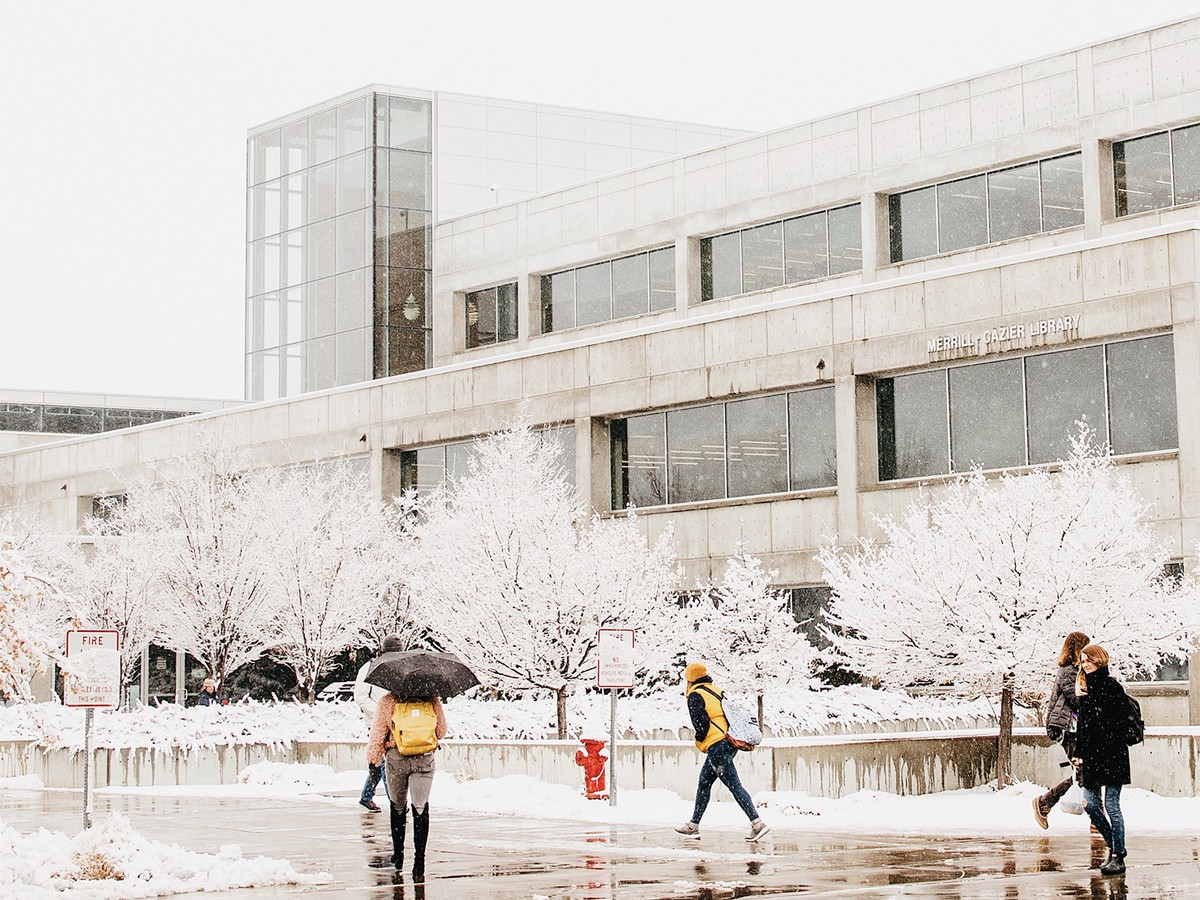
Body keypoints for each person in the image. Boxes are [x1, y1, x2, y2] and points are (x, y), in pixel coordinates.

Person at [674, 661, 770, 842]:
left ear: (690, 679)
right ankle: (693, 826)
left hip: (717, 746)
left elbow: (701, 726)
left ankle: (758, 824)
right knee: (704, 783)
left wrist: (699, 740)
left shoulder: (695, 695)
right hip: (728, 742)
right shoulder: (715, 691)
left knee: (734, 785)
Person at [367, 688, 447, 879]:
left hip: (397, 758)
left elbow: (378, 734)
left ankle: (399, 855)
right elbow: (441, 731)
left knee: (398, 806)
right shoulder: (431, 698)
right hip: (424, 758)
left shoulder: (388, 701)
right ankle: (419, 860)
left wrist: (373, 760)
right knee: (420, 807)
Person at [1072, 643, 1131, 876]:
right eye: (1083, 661)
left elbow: (1117, 724)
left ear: (1099, 661)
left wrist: (1096, 745)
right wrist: (1079, 753)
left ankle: (1118, 855)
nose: (1085, 665)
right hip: (1092, 758)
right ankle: (1115, 847)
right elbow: (1083, 728)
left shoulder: (1111, 687)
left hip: (1112, 755)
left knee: (1112, 805)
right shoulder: (1085, 689)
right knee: (1090, 804)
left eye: (1089, 660)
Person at [1033, 630, 1090, 828]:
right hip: (1068, 731)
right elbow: (1077, 700)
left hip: (1075, 730)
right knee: (1085, 771)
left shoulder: (1074, 671)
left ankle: (1047, 802)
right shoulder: (1068, 671)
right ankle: (1045, 801)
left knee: (1086, 771)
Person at [354, 635, 403, 812]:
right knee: (386, 762)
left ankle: (367, 796)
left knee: (379, 762)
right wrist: (381, 713)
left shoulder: (399, 669)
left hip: (397, 723)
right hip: (377, 723)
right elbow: (360, 697)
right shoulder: (369, 668)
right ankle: (395, 802)